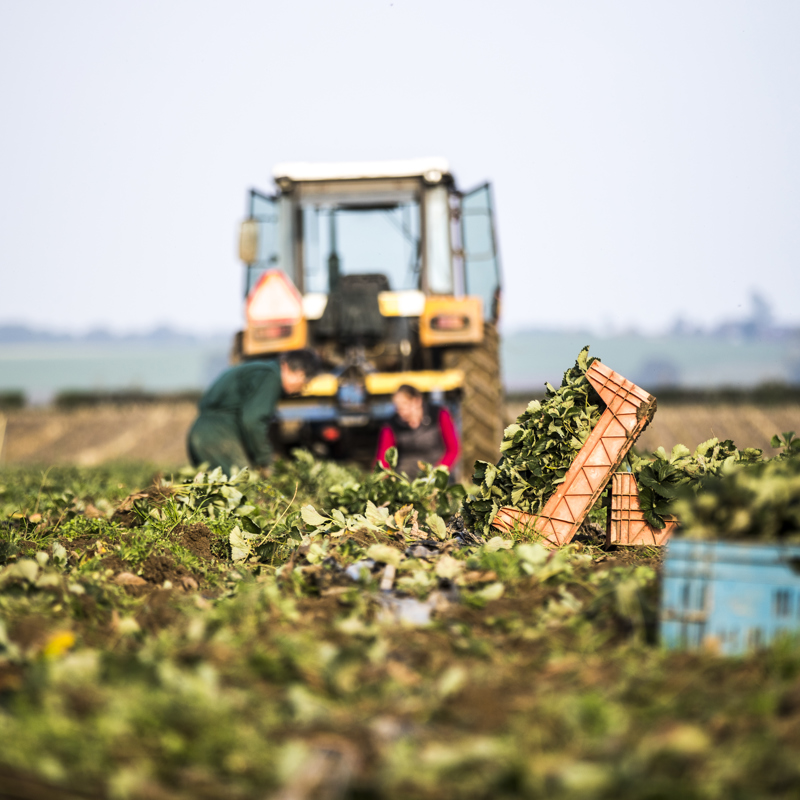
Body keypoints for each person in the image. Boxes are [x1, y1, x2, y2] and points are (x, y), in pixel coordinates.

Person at [187, 349, 320, 475]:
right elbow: (253, 421)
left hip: (202, 432)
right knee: (244, 488)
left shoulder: (259, 370)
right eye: (303, 381)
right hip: (218, 435)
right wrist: (265, 461)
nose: (301, 389)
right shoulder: (270, 376)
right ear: (294, 371)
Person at [375, 384, 460, 477]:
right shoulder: (390, 425)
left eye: (405, 404)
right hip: (406, 479)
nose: (401, 411)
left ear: (417, 401)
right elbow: (384, 458)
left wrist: (438, 474)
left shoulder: (439, 414)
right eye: (398, 407)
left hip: (437, 475)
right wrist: (380, 478)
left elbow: (453, 450)